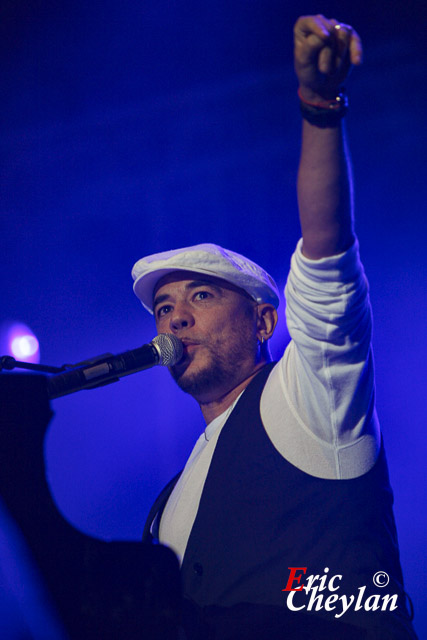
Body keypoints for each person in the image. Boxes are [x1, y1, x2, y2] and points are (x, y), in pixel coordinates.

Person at [131, 15, 416, 640]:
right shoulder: (175, 495)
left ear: (264, 319)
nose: (175, 315)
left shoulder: (310, 396)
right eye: (163, 307)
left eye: (201, 294)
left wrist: (319, 107)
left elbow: (327, 251)